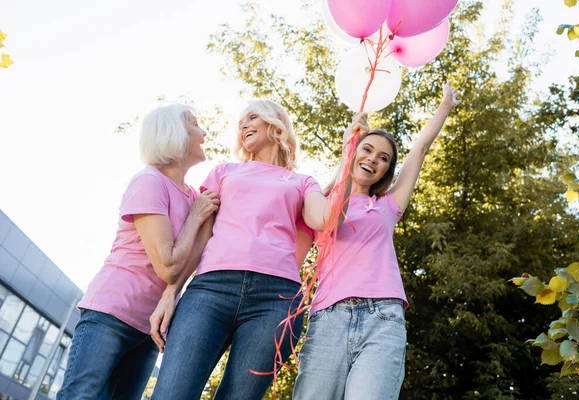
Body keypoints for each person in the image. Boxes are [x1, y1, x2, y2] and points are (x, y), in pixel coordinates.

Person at [149, 100, 369, 400]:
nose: (243, 126)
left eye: (252, 117)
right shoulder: (224, 172)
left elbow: (327, 219)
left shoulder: (302, 182)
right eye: (240, 122)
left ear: (275, 123)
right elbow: (200, 239)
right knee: (172, 393)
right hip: (210, 290)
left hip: (275, 300)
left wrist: (349, 153)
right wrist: (171, 292)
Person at [292, 82, 460, 400]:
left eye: (383, 158)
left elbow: (420, 149)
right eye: (366, 149)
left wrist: (445, 106)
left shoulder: (388, 205)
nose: (373, 159)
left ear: (386, 171)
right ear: (353, 151)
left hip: (382, 318)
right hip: (329, 318)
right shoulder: (319, 203)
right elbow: (326, 224)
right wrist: (347, 148)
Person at [57, 103, 219, 400]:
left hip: (150, 330)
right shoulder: (149, 181)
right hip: (112, 313)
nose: (204, 132)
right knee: (81, 396)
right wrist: (196, 218)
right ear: (174, 133)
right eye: (196, 124)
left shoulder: (194, 196)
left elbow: (192, 262)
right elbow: (169, 267)